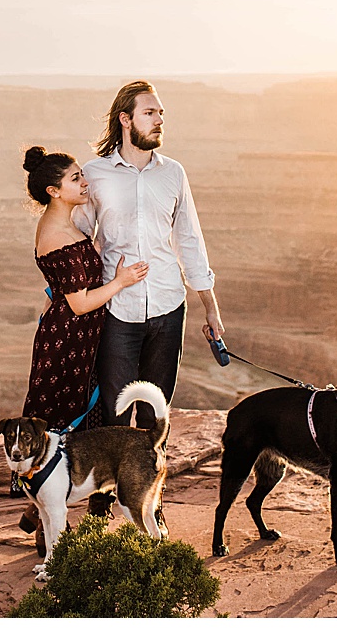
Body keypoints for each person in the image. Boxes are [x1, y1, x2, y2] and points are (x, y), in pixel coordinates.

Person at [73, 80, 225, 430]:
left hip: (169, 308)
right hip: (117, 313)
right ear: (126, 120)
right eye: (150, 113)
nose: (159, 120)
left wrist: (210, 307)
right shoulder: (95, 174)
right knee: (116, 415)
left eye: (160, 113)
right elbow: (79, 240)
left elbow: (190, 239)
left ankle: (151, 484)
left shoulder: (173, 173)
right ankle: (114, 485)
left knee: (155, 414)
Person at [15, 146, 148, 541]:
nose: (84, 182)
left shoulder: (66, 223)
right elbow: (78, 302)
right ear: (54, 191)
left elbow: (59, 289)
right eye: (75, 178)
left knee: (72, 421)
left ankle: (33, 513)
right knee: (60, 424)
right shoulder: (56, 234)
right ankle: (46, 530)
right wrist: (121, 283)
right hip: (68, 341)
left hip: (78, 339)